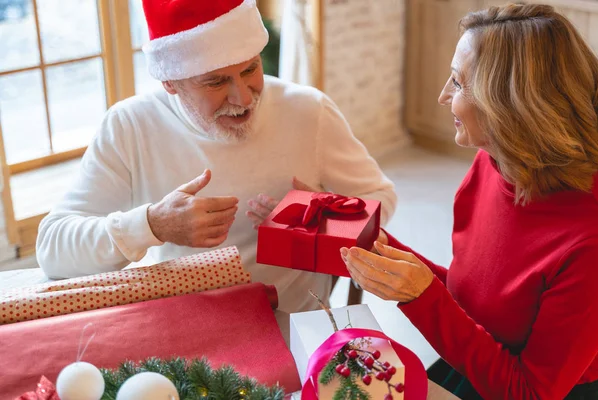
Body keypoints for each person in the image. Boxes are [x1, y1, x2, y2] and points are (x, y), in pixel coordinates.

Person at [35, 0, 397, 313]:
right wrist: (151, 225)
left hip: (289, 322)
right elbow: (52, 248)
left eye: (251, 69)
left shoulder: (308, 110)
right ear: (170, 83)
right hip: (179, 327)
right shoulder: (130, 126)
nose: (243, 97)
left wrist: (320, 219)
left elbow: (381, 198)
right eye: (216, 82)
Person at [342, 3, 598, 399]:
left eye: (459, 83)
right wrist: (379, 249)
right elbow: (478, 295)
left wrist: (420, 296)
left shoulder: (589, 243)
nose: (444, 96)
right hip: (480, 358)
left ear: (511, 106)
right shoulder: (492, 162)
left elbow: (529, 391)